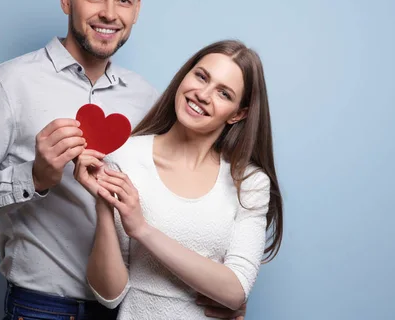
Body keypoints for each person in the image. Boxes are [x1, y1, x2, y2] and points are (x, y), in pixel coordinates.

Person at [0, 0, 247, 320]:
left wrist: (220, 292)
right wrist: (34, 177)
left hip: (133, 309)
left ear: (137, 9)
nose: (109, 13)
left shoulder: (150, 100)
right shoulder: (10, 83)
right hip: (43, 308)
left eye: (123, 0)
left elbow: (181, 202)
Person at [74, 39, 284, 319]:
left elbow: (235, 291)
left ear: (238, 113)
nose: (203, 94)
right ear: (185, 75)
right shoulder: (123, 158)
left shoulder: (249, 182)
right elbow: (109, 295)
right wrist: (103, 204)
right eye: (201, 76)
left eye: (223, 93)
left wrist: (142, 229)